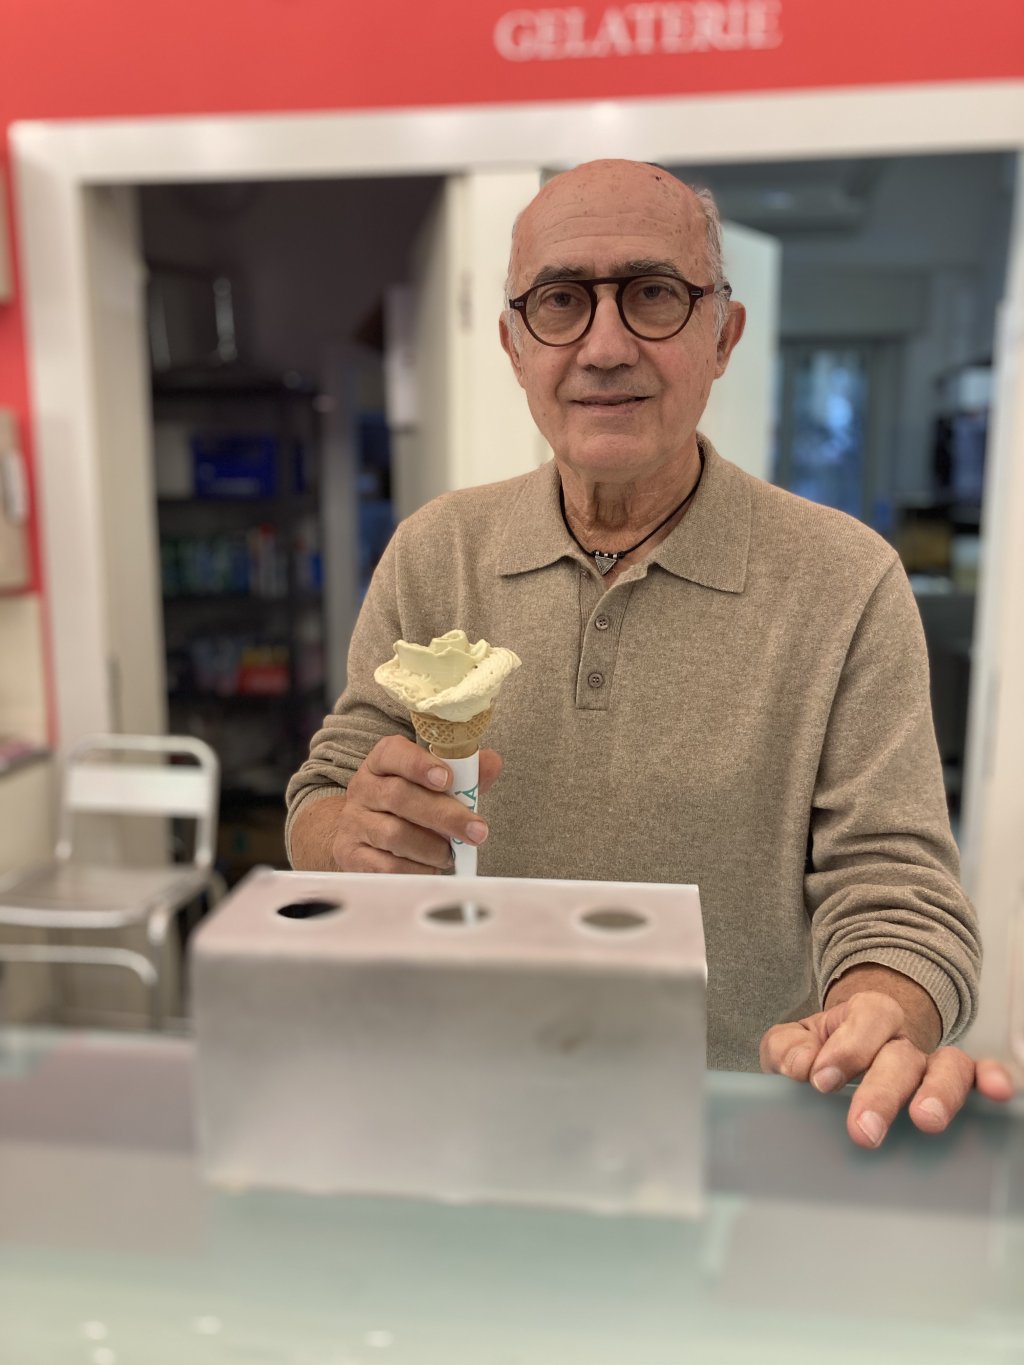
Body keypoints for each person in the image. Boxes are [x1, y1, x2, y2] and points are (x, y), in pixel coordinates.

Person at [287, 159, 1014, 1146]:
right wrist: (347, 836)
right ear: (512, 345)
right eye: (559, 302)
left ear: (724, 336)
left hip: (731, 1125)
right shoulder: (434, 552)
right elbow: (322, 797)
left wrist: (883, 1004)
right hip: (460, 1098)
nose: (603, 346)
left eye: (653, 295)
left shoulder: (845, 582)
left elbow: (894, 884)